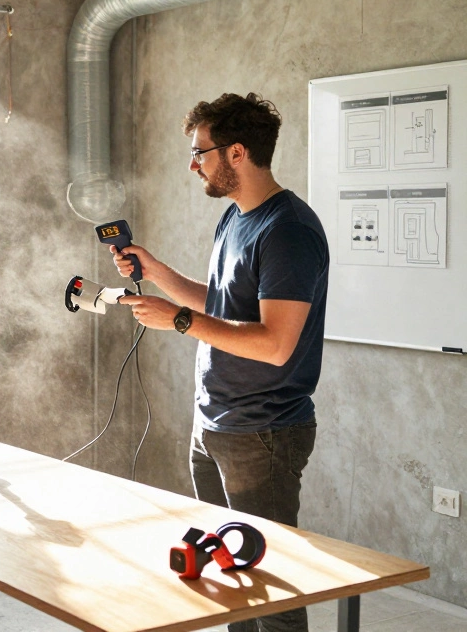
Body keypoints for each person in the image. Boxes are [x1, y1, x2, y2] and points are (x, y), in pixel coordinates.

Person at [112, 93, 327, 632]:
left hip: (264, 430)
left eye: (199, 152)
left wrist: (176, 322)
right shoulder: (235, 219)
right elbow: (222, 305)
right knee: (229, 576)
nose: (193, 164)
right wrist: (158, 272)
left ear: (236, 153)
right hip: (214, 421)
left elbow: (275, 343)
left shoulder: (290, 232)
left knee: (271, 588)